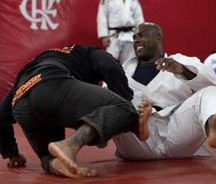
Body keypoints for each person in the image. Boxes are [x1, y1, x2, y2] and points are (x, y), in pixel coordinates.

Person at [0, 44, 147, 178]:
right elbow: (109, 65)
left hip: (21, 103)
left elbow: (1, 114)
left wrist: (12, 154)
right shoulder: (88, 53)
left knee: (49, 155)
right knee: (124, 108)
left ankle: (56, 163)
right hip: (52, 85)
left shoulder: (35, 66)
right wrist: (126, 101)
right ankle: (69, 145)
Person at [113, 22, 216, 161]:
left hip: (178, 133)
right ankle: (140, 122)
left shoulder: (182, 61)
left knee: (209, 92)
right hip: (137, 141)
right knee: (109, 100)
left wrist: (182, 70)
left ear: (158, 39)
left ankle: (213, 128)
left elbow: (212, 81)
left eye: (142, 35)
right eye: (134, 37)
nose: (136, 40)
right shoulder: (121, 72)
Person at [96, 0, 144, 64]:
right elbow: (102, 17)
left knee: (129, 61)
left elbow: (139, 16)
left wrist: (140, 34)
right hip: (113, 35)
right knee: (110, 60)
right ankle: (108, 78)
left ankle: (127, 78)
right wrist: (104, 36)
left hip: (130, 34)